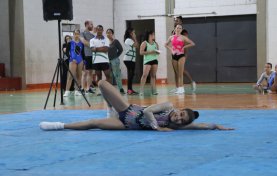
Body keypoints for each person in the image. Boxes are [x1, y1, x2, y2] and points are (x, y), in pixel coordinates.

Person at [40, 80, 233, 131]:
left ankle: (58, 125)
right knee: (101, 84)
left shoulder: (175, 125)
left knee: (93, 123)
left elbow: (201, 125)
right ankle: (110, 108)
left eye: (182, 120)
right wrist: (157, 127)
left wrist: (217, 126)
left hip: (126, 125)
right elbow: (148, 111)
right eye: (181, 114)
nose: (179, 118)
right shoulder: (168, 106)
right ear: (179, 110)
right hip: (127, 109)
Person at [165, 24, 195, 94]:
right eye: (177, 28)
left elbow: (192, 43)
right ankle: (179, 88)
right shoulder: (171, 37)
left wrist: (184, 47)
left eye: (180, 28)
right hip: (174, 56)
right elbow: (165, 44)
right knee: (177, 73)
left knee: (181, 73)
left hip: (181, 56)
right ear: (175, 29)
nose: (178, 29)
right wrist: (171, 49)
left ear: (181, 30)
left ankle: (182, 89)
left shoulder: (183, 37)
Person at [90, 25, 112, 95]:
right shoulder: (92, 40)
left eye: (100, 30)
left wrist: (96, 49)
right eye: (98, 30)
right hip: (96, 61)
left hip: (105, 60)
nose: (99, 31)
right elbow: (92, 50)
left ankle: (108, 90)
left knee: (108, 75)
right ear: (96, 30)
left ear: (102, 31)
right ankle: (100, 91)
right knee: (98, 77)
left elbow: (106, 49)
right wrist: (101, 48)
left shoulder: (106, 39)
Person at [63, 29, 85, 97]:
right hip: (72, 60)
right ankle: (67, 91)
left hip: (80, 60)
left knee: (79, 76)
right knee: (70, 76)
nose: (76, 35)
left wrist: (84, 62)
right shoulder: (70, 43)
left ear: (79, 35)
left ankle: (77, 90)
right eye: (75, 34)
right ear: (73, 35)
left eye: (78, 34)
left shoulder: (82, 44)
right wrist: (71, 58)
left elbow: (83, 53)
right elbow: (66, 52)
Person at [139, 30, 160, 96]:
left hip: (155, 60)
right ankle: (141, 90)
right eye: (153, 34)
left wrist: (157, 52)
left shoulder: (155, 43)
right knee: (145, 75)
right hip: (147, 61)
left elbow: (158, 51)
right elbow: (141, 52)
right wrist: (150, 52)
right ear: (150, 35)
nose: (154, 35)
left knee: (153, 76)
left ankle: (153, 90)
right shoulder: (144, 43)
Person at [106, 28, 125, 94]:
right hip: (107, 61)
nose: (108, 34)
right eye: (107, 32)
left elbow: (121, 49)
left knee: (117, 75)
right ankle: (109, 89)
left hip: (115, 60)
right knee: (108, 75)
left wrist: (116, 56)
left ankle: (121, 88)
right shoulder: (105, 42)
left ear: (112, 34)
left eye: (110, 32)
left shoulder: (115, 41)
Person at [80, 20, 95, 94]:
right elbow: (83, 41)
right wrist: (93, 46)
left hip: (92, 55)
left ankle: (88, 88)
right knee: (84, 72)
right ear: (86, 24)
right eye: (91, 24)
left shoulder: (92, 35)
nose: (92, 26)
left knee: (90, 72)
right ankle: (82, 88)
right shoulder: (82, 32)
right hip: (85, 55)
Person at [123, 28, 139, 95]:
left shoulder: (130, 40)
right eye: (134, 33)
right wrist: (135, 38)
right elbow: (136, 45)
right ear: (131, 33)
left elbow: (137, 46)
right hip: (128, 59)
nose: (135, 34)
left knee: (131, 74)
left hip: (131, 59)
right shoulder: (128, 40)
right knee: (130, 74)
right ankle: (129, 90)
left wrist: (134, 38)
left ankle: (130, 89)